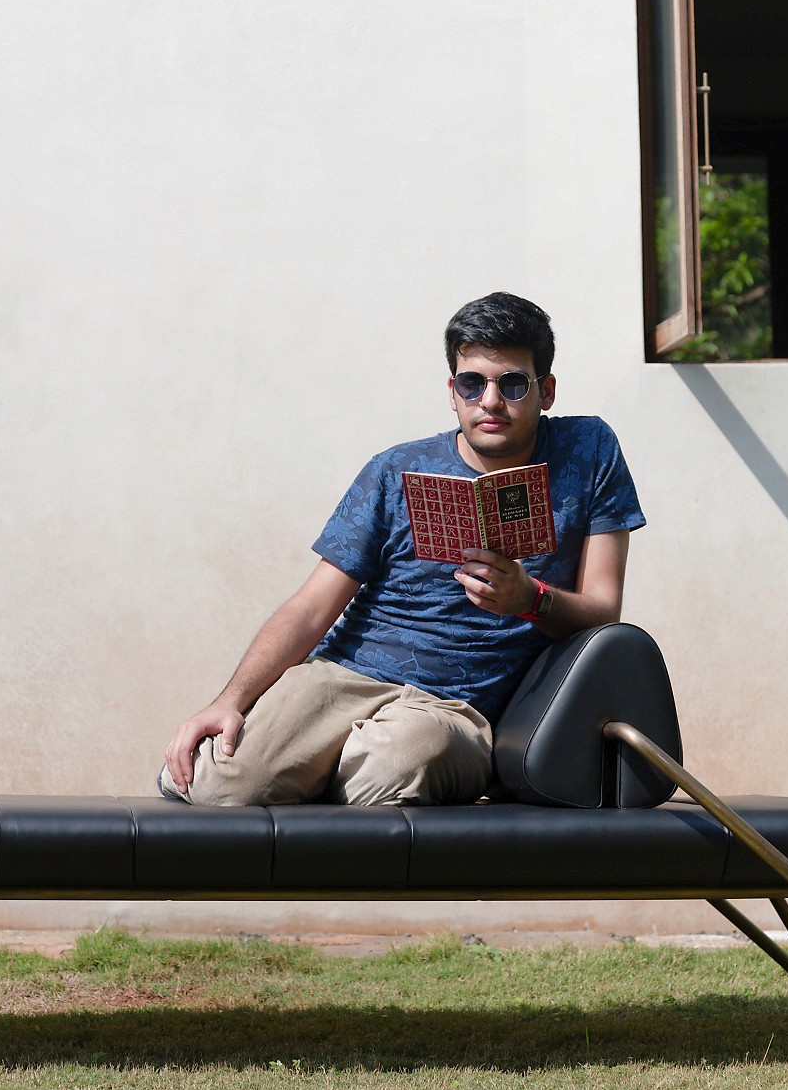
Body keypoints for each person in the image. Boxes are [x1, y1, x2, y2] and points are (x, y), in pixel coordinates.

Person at [159, 292, 646, 807]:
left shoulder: (588, 450)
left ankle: (329, 770)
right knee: (222, 786)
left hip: (452, 712)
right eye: (472, 383)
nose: (490, 401)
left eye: (512, 384)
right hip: (344, 678)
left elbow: (602, 610)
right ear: (452, 392)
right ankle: (305, 764)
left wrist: (530, 599)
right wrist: (230, 701)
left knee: (396, 765)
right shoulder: (394, 470)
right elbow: (311, 607)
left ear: (546, 391)